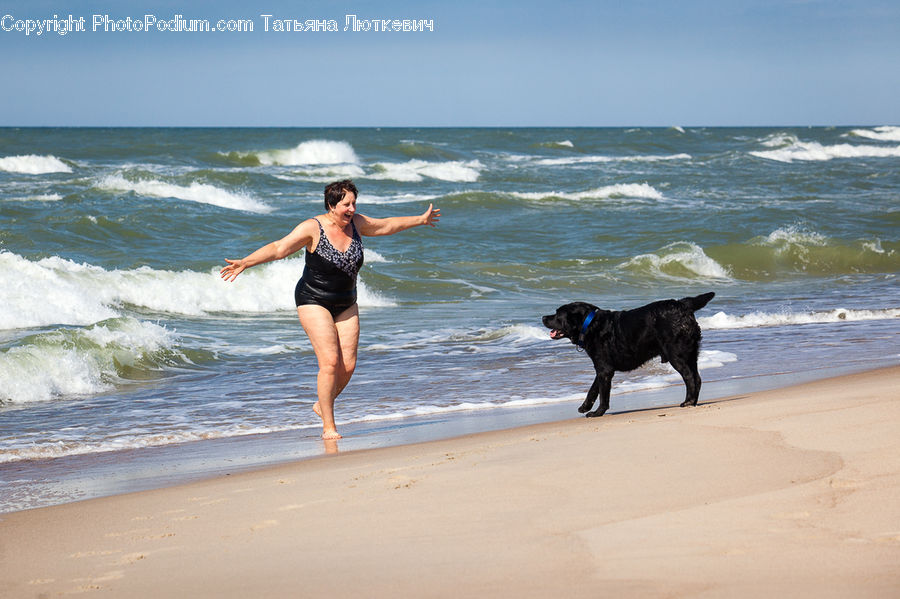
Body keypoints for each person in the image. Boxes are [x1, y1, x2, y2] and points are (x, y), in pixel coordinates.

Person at [220, 180, 440, 440]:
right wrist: (246, 262)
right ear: (331, 205)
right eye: (346, 204)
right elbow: (280, 248)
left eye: (354, 203)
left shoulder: (356, 224)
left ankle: (321, 404)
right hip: (313, 299)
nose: (351, 209)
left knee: (348, 365)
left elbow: (386, 225)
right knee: (330, 363)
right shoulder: (313, 228)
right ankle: (329, 426)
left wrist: (420, 220)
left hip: (347, 300)